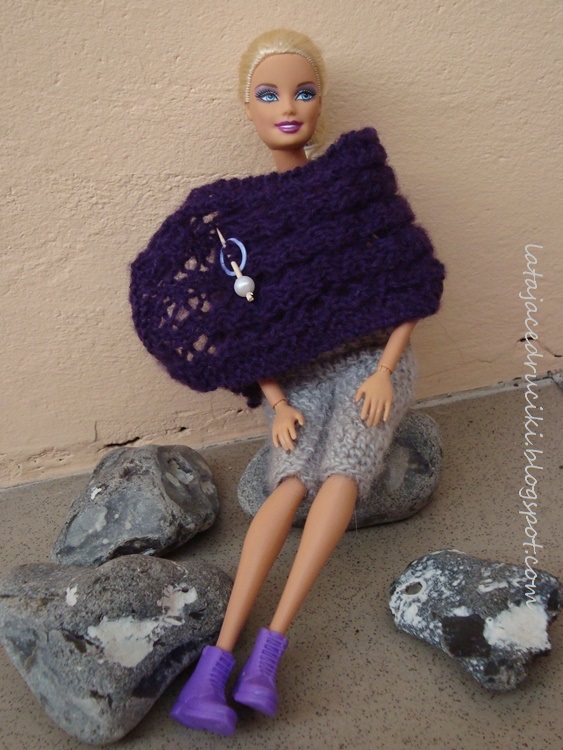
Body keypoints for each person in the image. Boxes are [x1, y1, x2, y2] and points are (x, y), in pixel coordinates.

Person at [130, 28, 445, 736]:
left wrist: (386, 371)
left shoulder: (354, 181)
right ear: (246, 106)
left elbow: (413, 286)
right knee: (288, 482)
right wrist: (273, 401)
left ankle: (268, 652)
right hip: (299, 377)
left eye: (304, 92)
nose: (289, 107)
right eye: (269, 94)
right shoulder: (230, 217)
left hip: (369, 364)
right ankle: (215, 663)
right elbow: (248, 330)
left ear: (321, 100)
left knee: (343, 472)